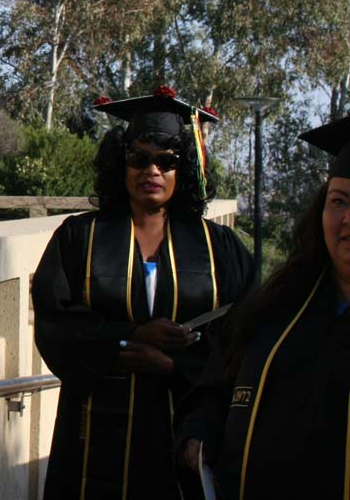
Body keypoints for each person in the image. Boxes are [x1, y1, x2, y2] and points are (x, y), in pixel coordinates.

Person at [31, 88, 254, 499]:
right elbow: (55, 322)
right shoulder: (79, 238)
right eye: (139, 158)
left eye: (166, 161)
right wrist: (128, 338)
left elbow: (244, 338)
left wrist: (174, 365)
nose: (151, 170)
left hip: (185, 430)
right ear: (121, 163)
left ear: (182, 170)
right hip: (94, 438)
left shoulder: (219, 247)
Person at [175, 116, 350, 498]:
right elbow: (215, 388)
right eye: (339, 202)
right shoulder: (276, 307)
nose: (347, 220)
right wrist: (200, 430)